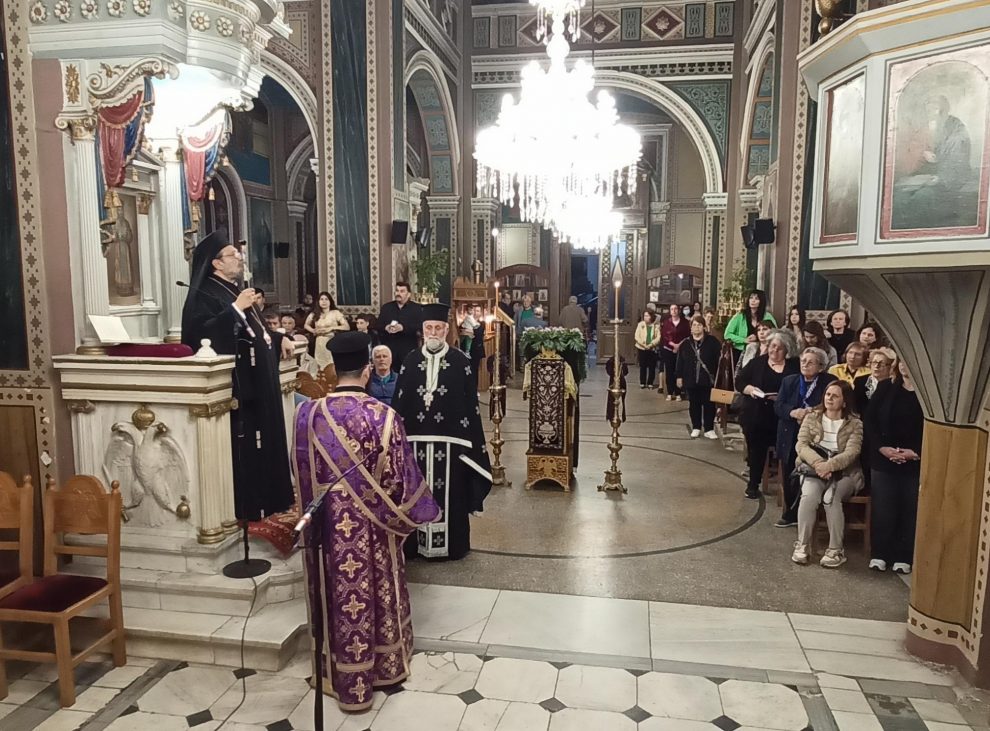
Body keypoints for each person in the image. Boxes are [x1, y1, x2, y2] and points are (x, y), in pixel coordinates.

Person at [293, 331, 440, 712]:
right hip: (374, 532)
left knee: (339, 596)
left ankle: (339, 673)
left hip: (328, 531)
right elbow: (401, 484)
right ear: (367, 371)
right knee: (376, 591)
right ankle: (383, 667)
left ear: (332, 370)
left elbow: (303, 477)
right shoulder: (384, 417)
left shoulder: (307, 414)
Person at [180, 231, 294, 521]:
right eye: (233, 255)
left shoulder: (233, 289)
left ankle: (274, 500)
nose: (240, 258)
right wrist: (235, 309)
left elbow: (256, 329)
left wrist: (278, 338)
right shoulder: (206, 293)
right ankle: (251, 506)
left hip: (261, 381)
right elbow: (200, 334)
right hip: (238, 389)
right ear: (216, 263)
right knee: (249, 448)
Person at [393, 303, 493, 560]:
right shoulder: (410, 361)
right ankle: (414, 546)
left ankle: (453, 546)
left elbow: (470, 405)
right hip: (414, 443)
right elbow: (400, 400)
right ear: (422, 331)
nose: (434, 333)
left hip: (452, 444)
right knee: (415, 493)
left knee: (450, 494)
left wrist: (471, 442)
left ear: (447, 330)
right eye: (429, 328)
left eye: (439, 328)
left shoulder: (461, 361)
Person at [790, 381, 864, 568]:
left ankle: (835, 550)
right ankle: (802, 545)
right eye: (827, 394)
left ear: (845, 401)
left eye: (835, 395)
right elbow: (801, 445)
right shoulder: (812, 417)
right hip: (815, 470)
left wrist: (829, 466)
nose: (829, 398)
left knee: (831, 498)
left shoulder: (855, 423)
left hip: (845, 473)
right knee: (809, 496)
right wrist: (818, 464)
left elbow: (852, 452)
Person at [866, 360, 923, 574]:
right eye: (902, 362)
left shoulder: (925, 395)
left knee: (909, 509)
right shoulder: (885, 387)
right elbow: (870, 421)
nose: (906, 366)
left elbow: (931, 426)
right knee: (883, 509)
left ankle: (903, 556)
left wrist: (915, 453)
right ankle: (880, 554)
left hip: (914, 460)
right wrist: (883, 448)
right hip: (884, 458)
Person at [774, 347, 836, 527]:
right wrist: (793, 412)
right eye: (803, 361)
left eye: (810, 362)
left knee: (811, 474)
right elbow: (778, 406)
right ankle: (790, 513)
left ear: (821, 366)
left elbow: (833, 403)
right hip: (790, 431)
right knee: (789, 473)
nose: (805, 364)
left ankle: (811, 514)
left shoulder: (829, 382)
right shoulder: (789, 381)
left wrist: (812, 412)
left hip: (817, 435)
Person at [736, 330, 800, 500]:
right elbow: (740, 381)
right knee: (757, 444)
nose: (774, 351)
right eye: (772, 346)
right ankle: (753, 483)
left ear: (787, 350)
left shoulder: (794, 366)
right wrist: (750, 390)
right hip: (758, 412)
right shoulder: (758, 363)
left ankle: (789, 486)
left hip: (783, 416)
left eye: (779, 348)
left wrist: (783, 398)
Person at [676, 315, 721, 439]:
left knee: (709, 404)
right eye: (694, 325)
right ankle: (696, 426)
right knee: (694, 404)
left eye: (699, 325)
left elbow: (719, 361)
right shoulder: (685, 343)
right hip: (691, 379)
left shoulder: (713, 342)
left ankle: (709, 428)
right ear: (690, 328)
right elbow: (680, 361)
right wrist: (679, 376)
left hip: (707, 380)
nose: (696, 327)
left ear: (704, 327)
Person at [377, 282, 423, 373]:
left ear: (408, 294)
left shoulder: (416, 309)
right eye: (397, 291)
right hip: (390, 348)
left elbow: (421, 325)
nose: (398, 293)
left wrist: (403, 327)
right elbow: (378, 325)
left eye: (402, 291)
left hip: (407, 348)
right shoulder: (386, 307)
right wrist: (386, 327)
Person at [723, 289, 778, 356]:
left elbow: (776, 333)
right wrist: (744, 340)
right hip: (740, 352)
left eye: (756, 298)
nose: (753, 300)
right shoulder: (740, 316)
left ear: (761, 301)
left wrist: (757, 338)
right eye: (751, 298)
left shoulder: (767, 316)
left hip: (762, 352)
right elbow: (727, 334)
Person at [305, 292, 350, 370]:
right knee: (319, 366)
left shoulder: (335, 313)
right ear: (318, 302)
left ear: (330, 301)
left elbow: (347, 327)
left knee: (331, 365)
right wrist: (313, 330)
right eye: (321, 299)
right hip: (319, 342)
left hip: (331, 340)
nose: (324, 301)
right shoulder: (315, 313)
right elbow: (306, 325)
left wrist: (332, 328)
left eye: (326, 299)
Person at [660, 303, 690, 400]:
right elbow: (664, 336)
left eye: (676, 309)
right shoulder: (666, 322)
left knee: (679, 371)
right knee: (669, 371)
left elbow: (687, 336)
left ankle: (678, 393)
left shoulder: (685, 323)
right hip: (668, 350)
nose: (674, 311)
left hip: (681, 350)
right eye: (672, 309)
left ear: (679, 310)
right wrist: (673, 345)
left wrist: (679, 345)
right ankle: (669, 392)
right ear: (670, 311)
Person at [634, 309, 661, 389]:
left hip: (652, 348)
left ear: (651, 316)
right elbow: (636, 336)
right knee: (643, 366)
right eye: (645, 316)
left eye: (647, 316)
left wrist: (651, 344)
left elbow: (658, 337)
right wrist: (643, 344)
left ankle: (650, 383)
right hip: (642, 348)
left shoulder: (656, 325)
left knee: (652, 366)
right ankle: (642, 382)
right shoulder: (640, 324)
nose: (646, 318)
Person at [605, 354, 629, 423]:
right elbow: (609, 371)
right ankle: (611, 415)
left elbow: (626, 372)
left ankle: (620, 415)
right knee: (611, 399)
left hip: (620, 381)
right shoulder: (610, 363)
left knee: (620, 400)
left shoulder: (623, 363)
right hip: (613, 381)